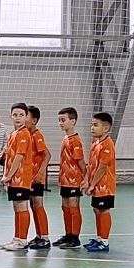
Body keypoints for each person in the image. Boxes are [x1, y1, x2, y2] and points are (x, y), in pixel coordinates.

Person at [1, 102, 36, 252]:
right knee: (17, 207)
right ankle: (17, 238)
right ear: (10, 116)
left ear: (26, 117)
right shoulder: (12, 134)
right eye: (15, 115)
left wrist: (9, 176)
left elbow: (19, 157)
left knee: (22, 206)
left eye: (21, 115)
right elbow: (8, 157)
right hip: (13, 178)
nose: (18, 117)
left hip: (22, 177)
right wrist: (5, 175)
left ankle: (22, 240)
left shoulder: (24, 134)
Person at [84, 112, 116, 252]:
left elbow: (102, 167)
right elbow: (91, 165)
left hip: (105, 186)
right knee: (97, 209)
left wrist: (92, 184)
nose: (92, 128)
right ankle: (99, 238)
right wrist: (87, 180)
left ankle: (104, 241)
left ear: (106, 128)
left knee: (103, 210)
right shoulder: (95, 142)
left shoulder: (107, 144)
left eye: (95, 125)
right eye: (92, 125)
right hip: (96, 185)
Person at [55, 107, 85, 249]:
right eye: (59, 120)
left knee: (74, 208)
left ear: (72, 121)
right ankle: (68, 235)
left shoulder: (75, 141)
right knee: (65, 207)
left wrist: (85, 177)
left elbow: (80, 161)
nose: (60, 123)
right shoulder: (65, 139)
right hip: (65, 180)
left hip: (74, 180)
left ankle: (75, 238)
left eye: (63, 120)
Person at [26, 105, 53, 249]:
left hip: (37, 178)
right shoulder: (28, 135)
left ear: (34, 120)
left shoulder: (37, 135)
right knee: (33, 205)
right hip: (29, 177)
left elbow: (47, 155)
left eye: (26, 116)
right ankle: (39, 235)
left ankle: (45, 238)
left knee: (38, 205)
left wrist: (41, 173)